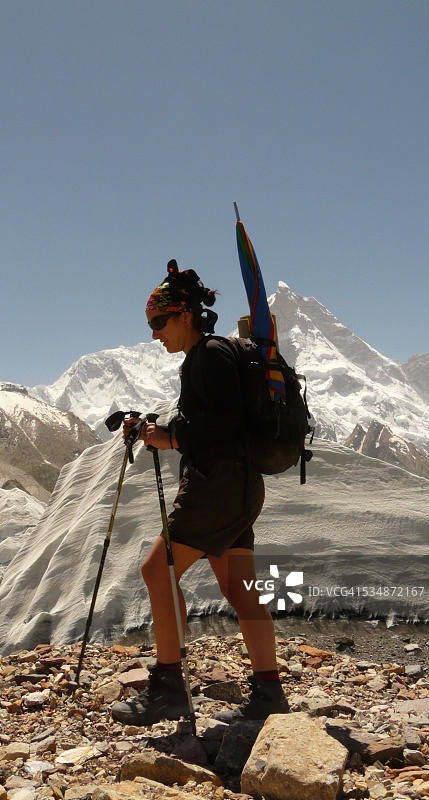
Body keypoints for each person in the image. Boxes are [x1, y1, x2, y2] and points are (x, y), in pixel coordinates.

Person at [111, 262, 289, 726]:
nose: (154, 335)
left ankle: (169, 687)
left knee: (156, 569)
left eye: (158, 322)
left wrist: (168, 436)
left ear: (184, 315)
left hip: (215, 488)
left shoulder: (207, 357)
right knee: (239, 588)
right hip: (242, 488)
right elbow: (222, 422)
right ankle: (269, 693)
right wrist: (169, 434)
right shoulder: (219, 353)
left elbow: (218, 426)